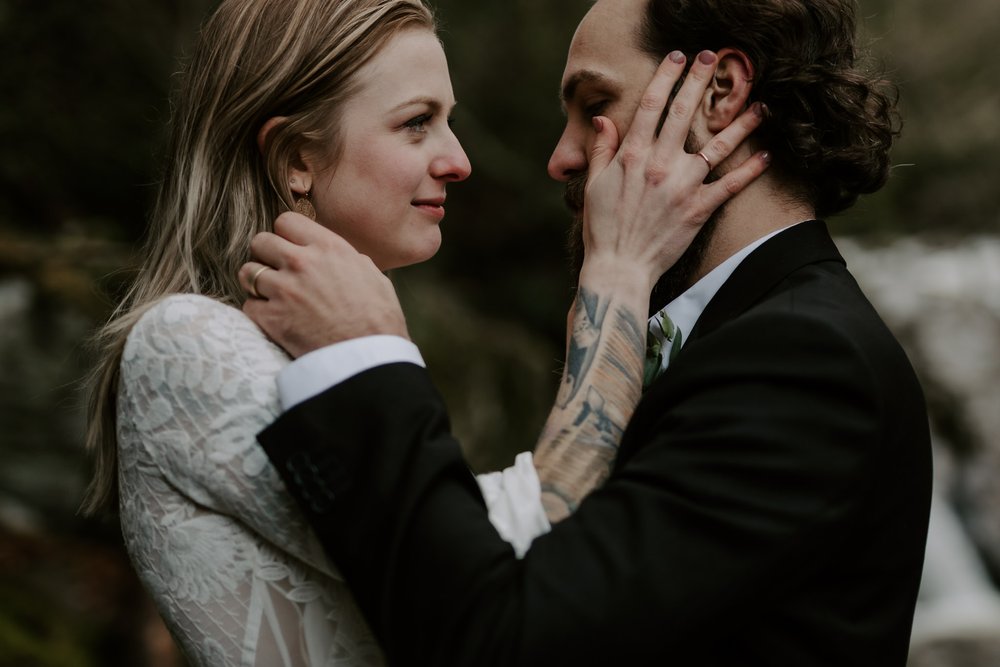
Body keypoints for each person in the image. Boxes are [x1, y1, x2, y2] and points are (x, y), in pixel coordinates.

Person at [243, 0, 934, 665]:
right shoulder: (738, 336)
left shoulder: (803, 363)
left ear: (717, 92)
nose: (562, 157)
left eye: (594, 106)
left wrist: (366, 359)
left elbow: (504, 642)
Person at [82, 0, 764, 664]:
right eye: (417, 123)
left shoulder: (315, 350)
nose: (458, 159)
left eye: (450, 122)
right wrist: (616, 276)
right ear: (296, 157)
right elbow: (502, 563)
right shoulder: (186, 340)